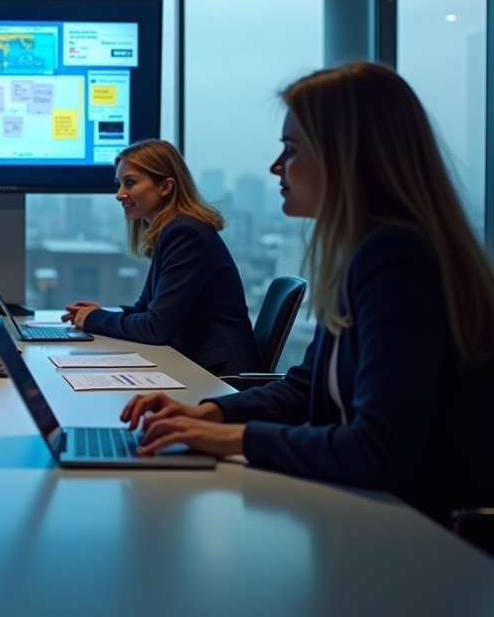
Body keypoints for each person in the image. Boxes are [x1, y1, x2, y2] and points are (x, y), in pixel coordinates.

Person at [120, 62, 494, 523]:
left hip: (416, 535)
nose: (277, 167)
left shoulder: (397, 258)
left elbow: (377, 447)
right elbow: (302, 388)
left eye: (291, 150)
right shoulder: (366, 252)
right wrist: (207, 413)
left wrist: (232, 439)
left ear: (348, 156)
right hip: (367, 514)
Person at [62, 139, 258, 376]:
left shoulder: (185, 233)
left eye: (130, 183)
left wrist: (95, 319)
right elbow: (145, 309)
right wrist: (100, 314)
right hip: (195, 365)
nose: (119, 194)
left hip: (219, 375)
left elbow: (155, 327)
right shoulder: (172, 231)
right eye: (119, 184)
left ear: (165, 187)